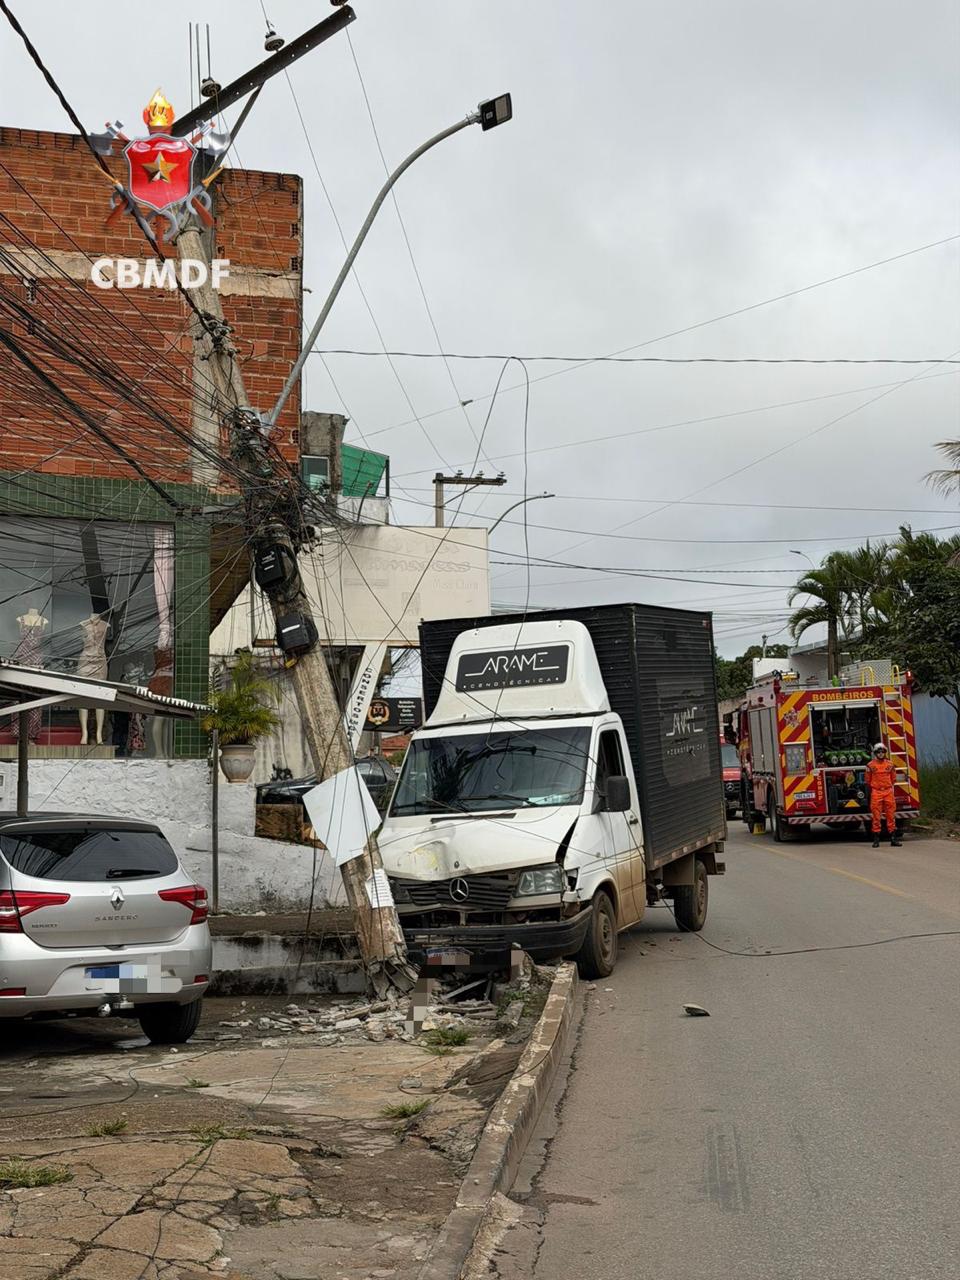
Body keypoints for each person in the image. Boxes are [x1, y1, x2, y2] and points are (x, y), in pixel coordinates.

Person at [865, 743, 900, 848]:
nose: (881, 754)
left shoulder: (890, 765)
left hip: (888, 792)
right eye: (878, 752)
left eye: (882, 752)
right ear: (875, 753)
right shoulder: (870, 766)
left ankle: (893, 839)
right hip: (876, 792)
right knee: (876, 816)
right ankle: (876, 840)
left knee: (891, 815)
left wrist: (887, 787)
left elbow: (893, 778)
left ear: (885, 753)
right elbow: (868, 780)